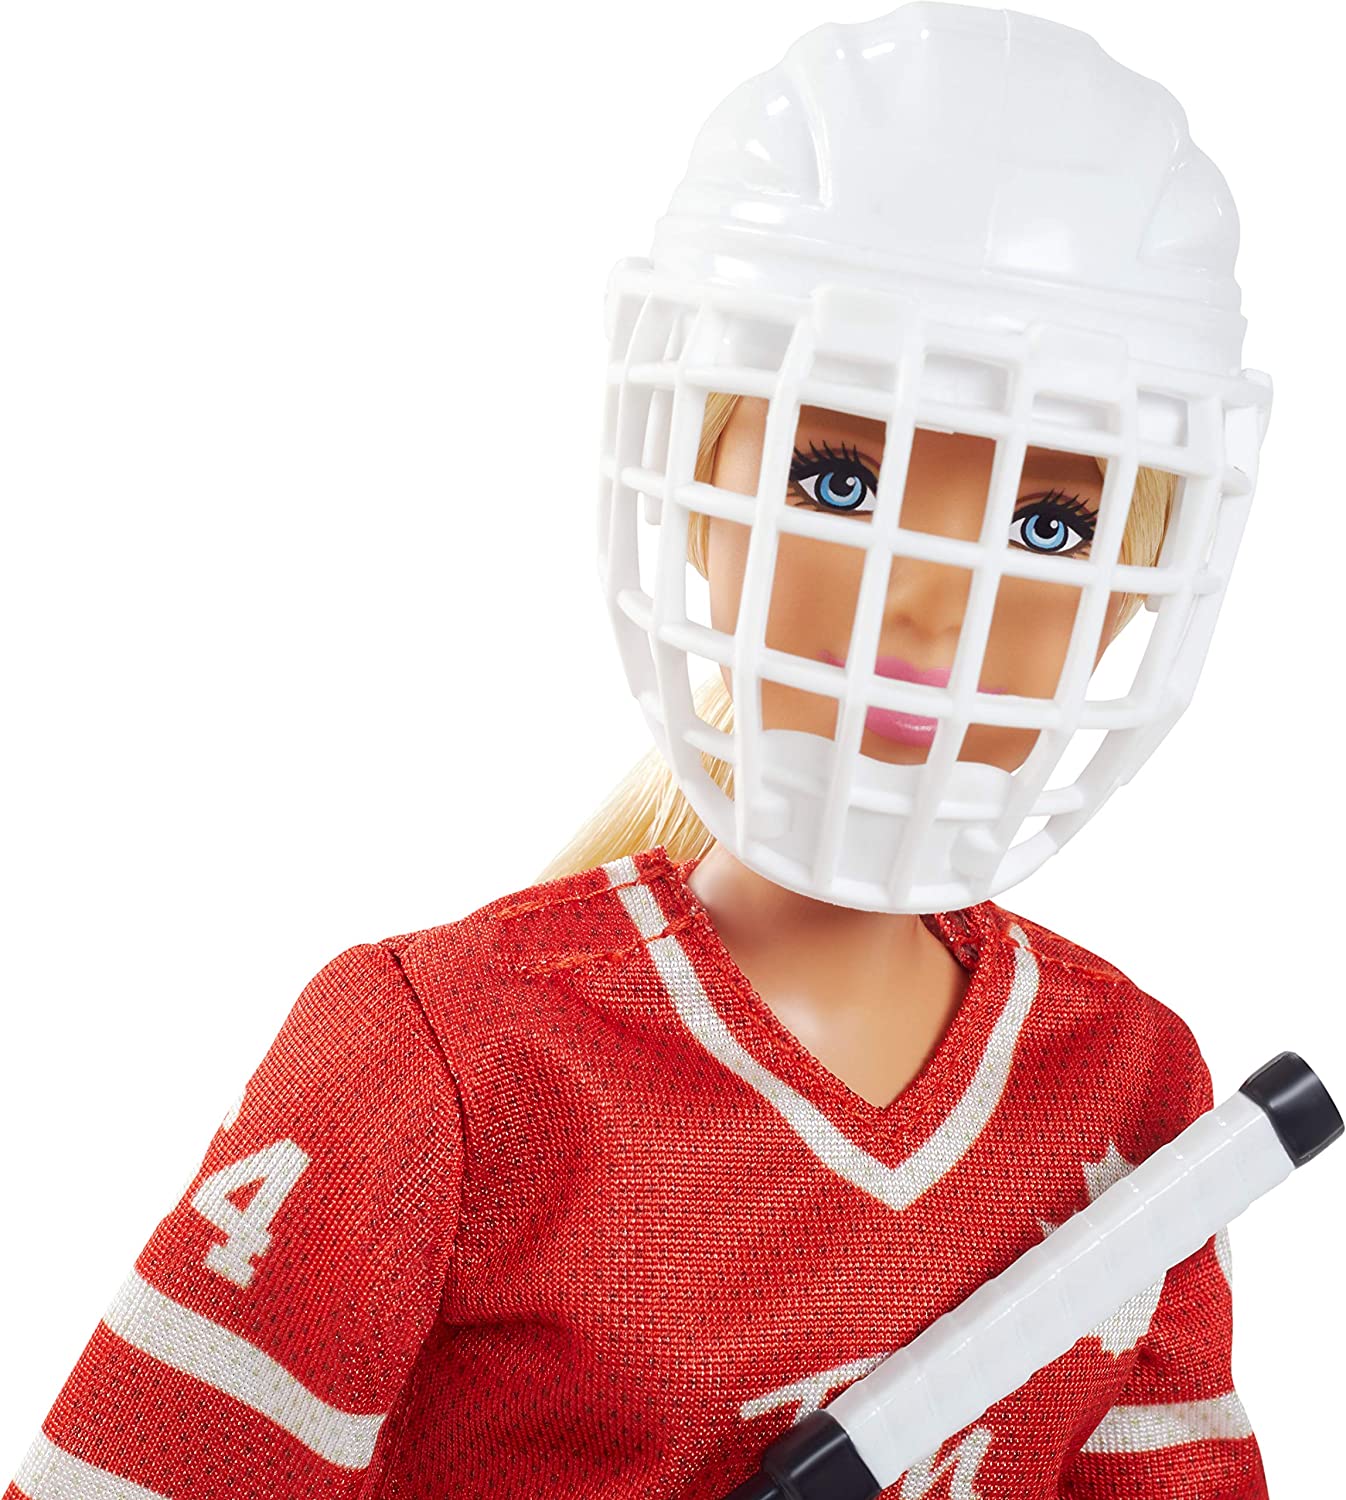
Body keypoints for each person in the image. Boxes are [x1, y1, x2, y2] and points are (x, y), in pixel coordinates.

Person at [3, 5, 1279, 1498]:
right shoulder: (442, 1068)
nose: (930, 601)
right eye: (838, 480)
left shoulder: (1125, 1088)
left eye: (1046, 524)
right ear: (692, 492)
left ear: (1137, 583)